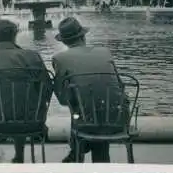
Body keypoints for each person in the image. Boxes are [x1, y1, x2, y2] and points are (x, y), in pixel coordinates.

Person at [0, 19, 49, 163]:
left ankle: (0, 154)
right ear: (14, 36)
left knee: (6, 110)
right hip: (32, 122)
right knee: (22, 107)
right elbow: (46, 91)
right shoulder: (33, 56)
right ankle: (19, 155)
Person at [52, 17, 128, 163]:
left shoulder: (60, 58)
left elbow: (63, 100)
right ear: (83, 36)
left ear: (64, 41)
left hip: (87, 123)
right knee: (97, 110)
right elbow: (120, 86)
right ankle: (96, 165)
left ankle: (77, 154)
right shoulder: (104, 52)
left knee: (81, 111)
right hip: (119, 119)